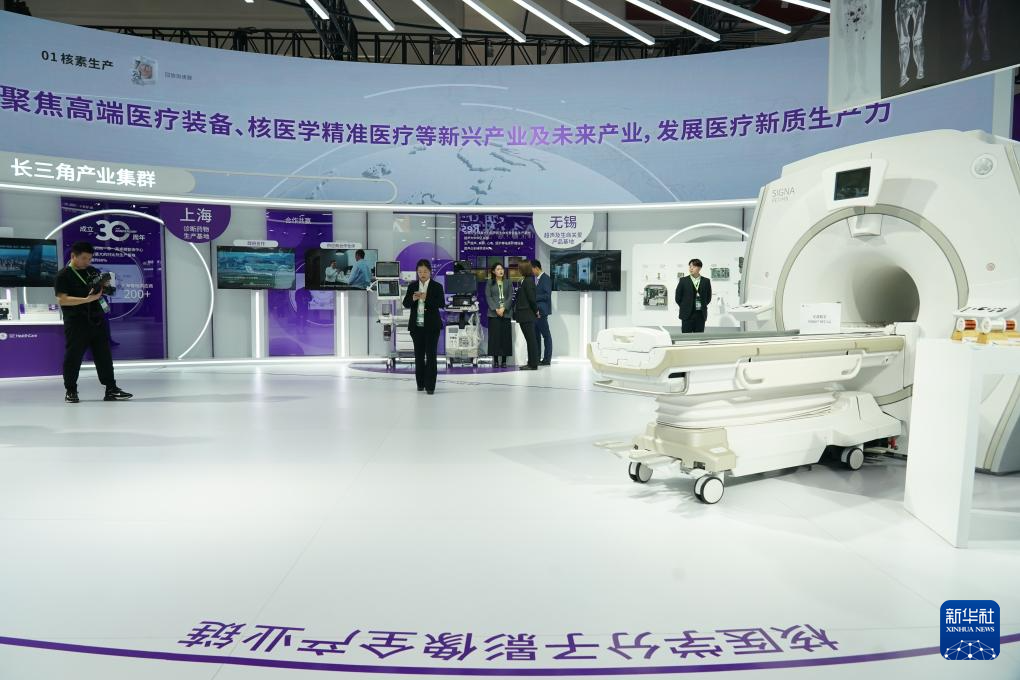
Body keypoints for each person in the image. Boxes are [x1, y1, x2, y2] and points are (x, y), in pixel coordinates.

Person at [53, 241, 133, 403]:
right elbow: (62, 300)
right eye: (84, 258)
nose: (87, 262)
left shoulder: (93, 271)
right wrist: (86, 299)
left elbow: (102, 292)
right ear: (73, 256)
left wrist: (107, 287)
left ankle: (111, 389)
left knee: (104, 356)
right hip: (76, 322)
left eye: (89, 259)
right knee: (74, 357)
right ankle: (71, 390)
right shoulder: (63, 275)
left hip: (97, 320)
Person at [402, 258, 445, 394]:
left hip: (432, 327)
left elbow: (441, 303)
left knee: (431, 356)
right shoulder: (412, 286)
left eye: (425, 271)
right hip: (416, 327)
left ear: (430, 272)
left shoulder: (437, 286)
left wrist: (427, 298)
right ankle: (420, 384)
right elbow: (405, 303)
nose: (422, 274)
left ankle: (430, 386)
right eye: (420, 271)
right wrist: (413, 298)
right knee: (419, 356)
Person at [485, 263, 513, 368]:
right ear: (493, 271)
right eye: (498, 269)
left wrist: (504, 308)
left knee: (505, 337)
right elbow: (488, 296)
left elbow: (510, 296)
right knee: (495, 337)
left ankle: (504, 361)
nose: (501, 271)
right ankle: (496, 360)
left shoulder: (508, 282)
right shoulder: (489, 282)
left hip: (506, 313)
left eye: (502, 269)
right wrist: (496, 309)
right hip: (493, 313)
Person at [513, 260, 540, 370]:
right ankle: (531, 362)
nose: (518, 270)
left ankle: (533, 364)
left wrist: (536, 311)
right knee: (530, 340)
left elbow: (532, 299)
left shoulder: (528, 281)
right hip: (525, 314)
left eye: (519, 268)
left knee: (531, 340)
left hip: (527, 314)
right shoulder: (526, 280)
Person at [675, 258, 712, 334]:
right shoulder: (683, 280)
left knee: (699, 337)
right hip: (687, 315)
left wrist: (702, 305)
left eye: (694, 266)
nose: (691, 268)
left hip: (700, 314)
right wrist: (684, 306)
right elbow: (678, 297)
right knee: (686, 337)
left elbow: (708, 297)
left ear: (699, 268)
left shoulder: (706, 281)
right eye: (690, 266)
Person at [532, 259, 553, 366]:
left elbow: (547, 295)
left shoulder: (545, 278)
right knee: (536, 336)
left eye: (531, 269)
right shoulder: (539, 279)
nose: (531, 272)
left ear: (536, 268)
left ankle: (546, 359)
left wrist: (533, 297)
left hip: (542, 312)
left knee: (546, 336)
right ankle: (537, 358)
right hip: (536, 312)